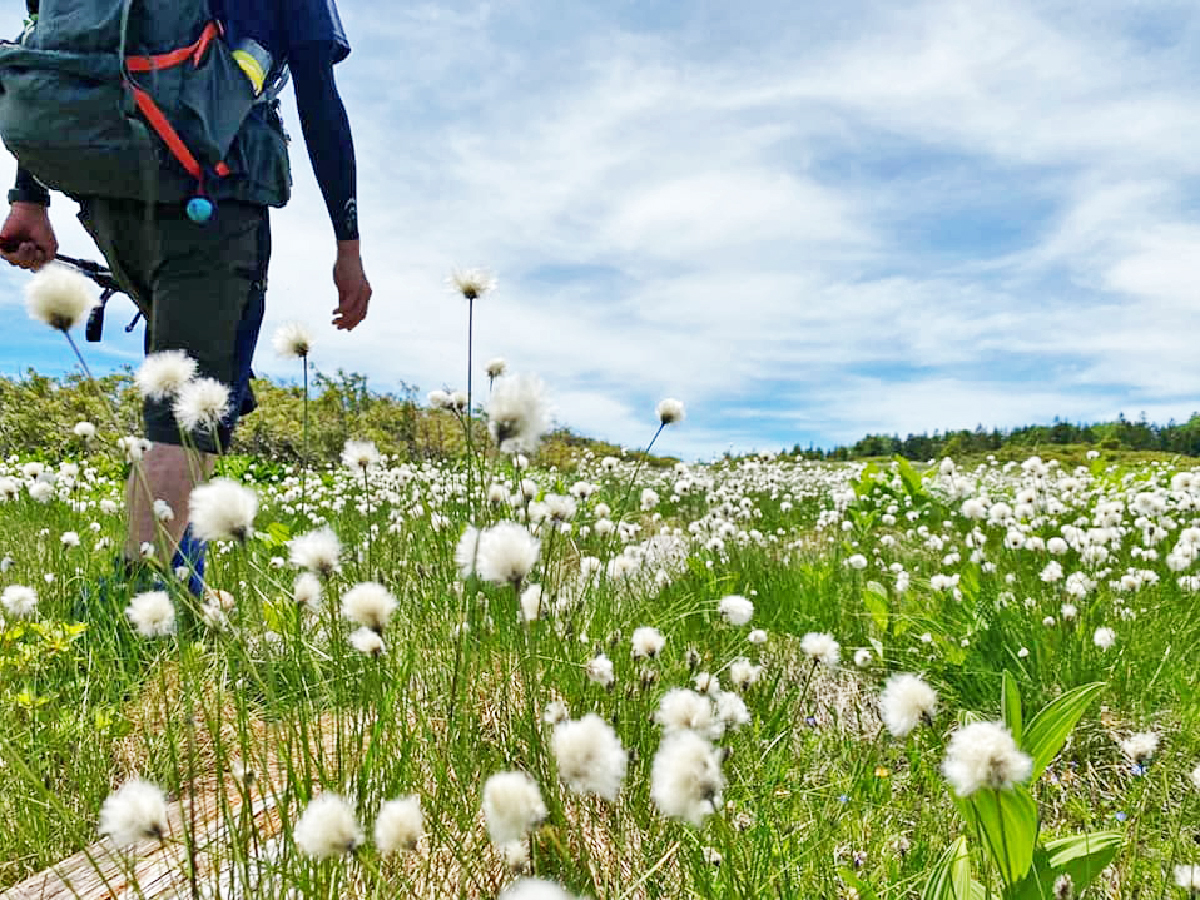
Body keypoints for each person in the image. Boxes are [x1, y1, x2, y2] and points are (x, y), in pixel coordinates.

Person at [0, 0, 372, 589]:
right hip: (213, 202)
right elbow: (320, 103)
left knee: (190, 394)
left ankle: (178, 586)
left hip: (110, 199)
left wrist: (29, 198)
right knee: (189, 416)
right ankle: (143, 612)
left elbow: (55, 58)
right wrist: (347, 243)